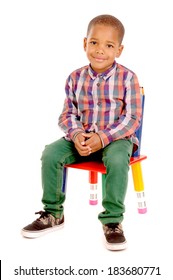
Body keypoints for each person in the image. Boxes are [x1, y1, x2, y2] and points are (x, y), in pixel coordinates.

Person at [21, 14, 142, 251]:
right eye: (94, 43)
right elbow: (67, 115)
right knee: (51, 154)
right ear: (85, 43)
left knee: (117, 160)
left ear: (119, 50)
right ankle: (54, 214)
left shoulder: (128, 78)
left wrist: (102, 138)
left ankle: (113, 221)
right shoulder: (75, 78)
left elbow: (132, 119)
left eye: (109, 45)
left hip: (116, 139)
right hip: (81, 139)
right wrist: (77, 136)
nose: (100, 50)